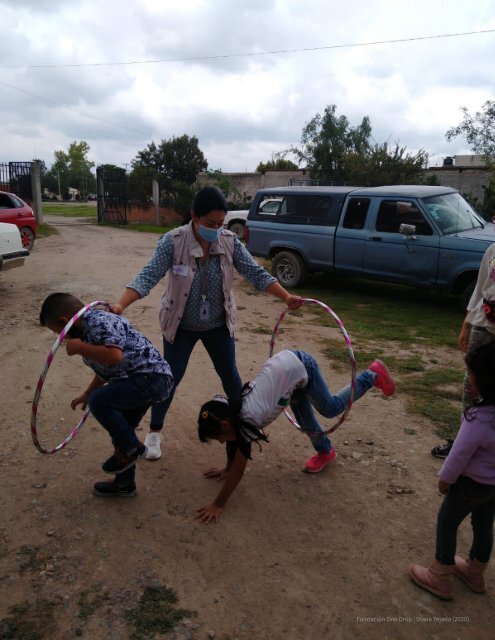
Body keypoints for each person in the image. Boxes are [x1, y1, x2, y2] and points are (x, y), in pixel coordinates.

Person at [113, 186, 302, 461]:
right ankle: (154, 432)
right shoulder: (173, 241)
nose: (217, 228)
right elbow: (147, 276)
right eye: (211, 223)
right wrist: (120, 305)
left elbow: (255, 273)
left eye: (221, 223)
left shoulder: (228, 241)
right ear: (194, 216)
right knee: (168, 380)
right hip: (180, 326)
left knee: (231, 377)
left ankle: (242, 426)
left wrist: (286, 297)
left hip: (218, 325)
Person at [195, 349, 395, 523]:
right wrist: (226, 468)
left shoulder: (250, 416)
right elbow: (234, 442)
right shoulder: (233, 413)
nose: (221, 441)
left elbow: (239, 469)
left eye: (217, 437)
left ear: (225, 424)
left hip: (300, 366)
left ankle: (371, 375)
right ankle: (326, 451)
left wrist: (218, 504)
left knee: (330, 408)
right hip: (288, 376)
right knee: (307, 423)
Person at [39, 293, 174, 498]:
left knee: (100, 402)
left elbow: (114, 356)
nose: (62, 338)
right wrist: (86, 393)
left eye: (58, 332)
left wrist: (80, 348)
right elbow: (106, 370)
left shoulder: (98, 321)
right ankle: (125, 484)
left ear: (64, 321)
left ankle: (131, 449)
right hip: (139, 380)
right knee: (120, 429)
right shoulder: (86, 333)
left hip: (151, 378)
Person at [410, 340, 495, 600]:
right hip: (492, 488)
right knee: (484, 525)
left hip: (468, 485)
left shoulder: (477, 419)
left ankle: (440, 575)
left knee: (447, 522)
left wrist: (445, 480)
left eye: (471, 374)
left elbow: (458, 456)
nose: (468, 378)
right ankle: (474, 572)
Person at [431, 243, 495, 459]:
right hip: (483, 325)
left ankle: (487, 446)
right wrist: (466, 324)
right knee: (472, 383)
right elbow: (479, 289)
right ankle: (463, 440)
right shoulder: (492, 250)